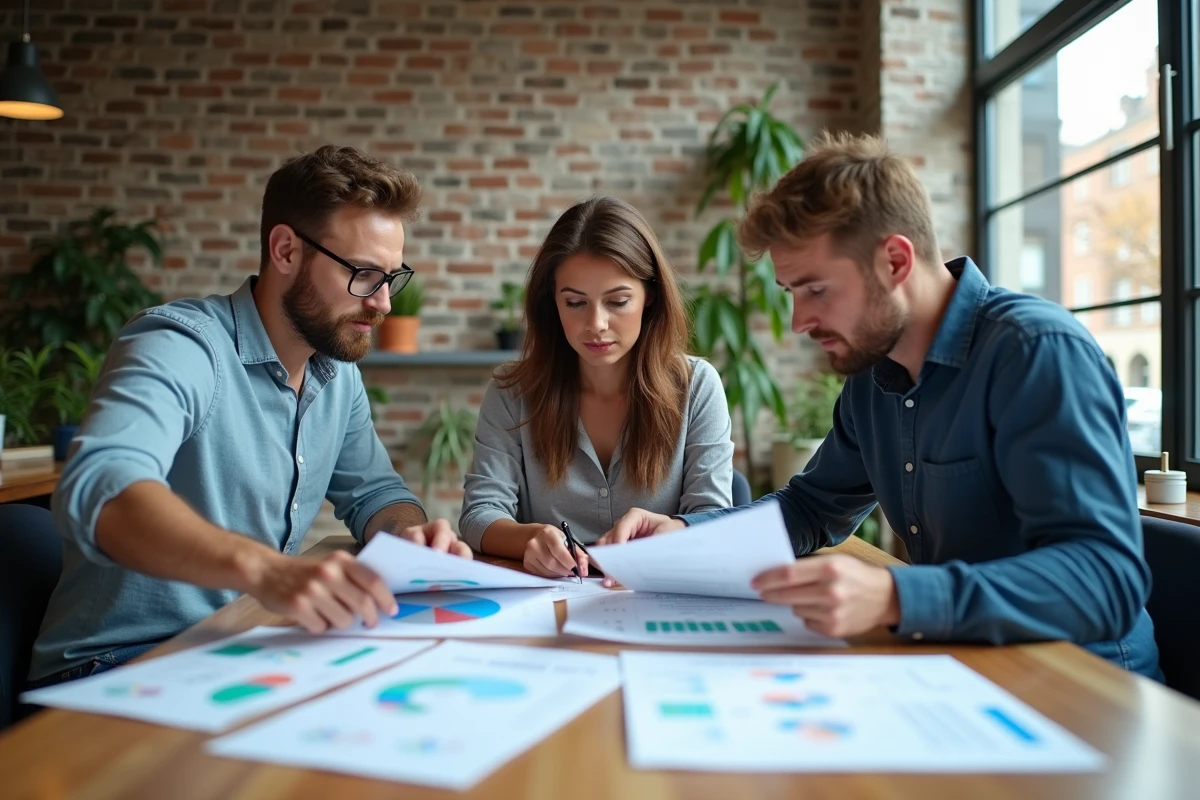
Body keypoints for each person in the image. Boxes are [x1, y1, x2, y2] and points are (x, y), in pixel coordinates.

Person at [600, 132, 1161, 679]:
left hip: (1082, 682)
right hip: (967, 667)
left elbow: (1106, 581)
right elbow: (810, 509)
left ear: (894, 261)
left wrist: (895, 595)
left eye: (816, 290)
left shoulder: (1034, 352)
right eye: (791, 293)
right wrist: (687, 533)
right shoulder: (873, 375)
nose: (799, 322)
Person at [29, 145, 470, 689]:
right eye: (362, 274)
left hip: (240, 648)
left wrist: (411, 536)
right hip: (116, 664)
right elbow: (102, 486)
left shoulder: (336, 375)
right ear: (285, 251)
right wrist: (268, 571)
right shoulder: (181, 344)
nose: (383, 303)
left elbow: (377, 494)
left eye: (390, 278)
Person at [459, 196, 735, 578]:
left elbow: (713, 520)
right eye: (575, 303)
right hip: (551, 601)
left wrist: (667, 537)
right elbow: (478, 514)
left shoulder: (697, 387)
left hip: (659, 593)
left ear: (650, 296)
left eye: (618, 302)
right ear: (553, 302)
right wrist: (530, 539)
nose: (596, 324)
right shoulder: (513, 391)